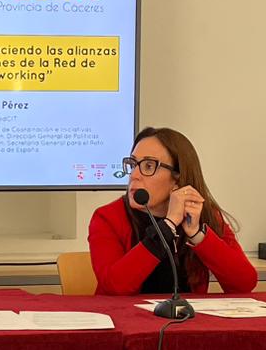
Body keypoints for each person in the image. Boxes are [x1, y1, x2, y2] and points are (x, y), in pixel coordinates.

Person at [88, 126, 256, 296]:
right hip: (124, 313)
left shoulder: (202, 214)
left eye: (148, 166)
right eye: (133, 165)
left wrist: (197, 234)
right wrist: (168, 226)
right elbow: (114, 286)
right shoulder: (108, 217)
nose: (134, 175)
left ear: (178, 177)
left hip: (186, 313)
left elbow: (244, 283)